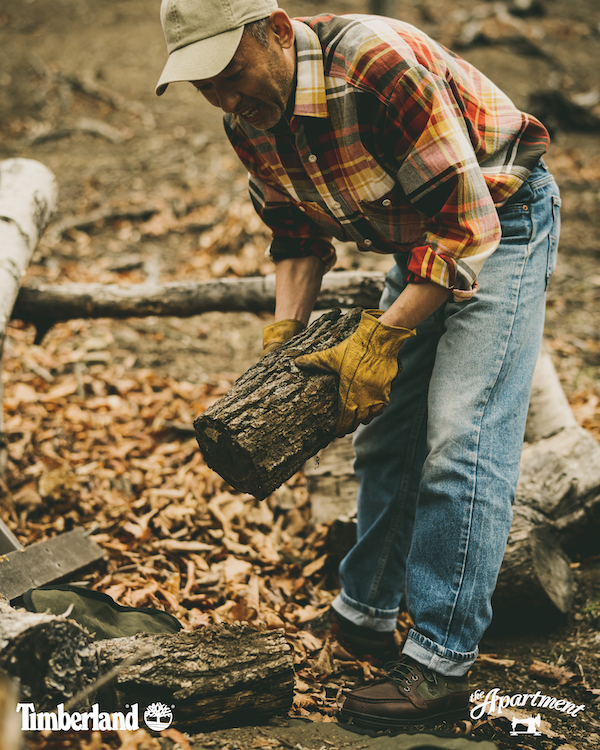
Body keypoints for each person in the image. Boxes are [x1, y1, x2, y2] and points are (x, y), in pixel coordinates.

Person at [156, 0, 561, 728]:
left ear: (276, 31)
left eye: (229, 72)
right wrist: (283, 343)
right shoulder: (247, 120)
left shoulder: (373, 65)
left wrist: (379, 340)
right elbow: (295, 235)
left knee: (460, 437)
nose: (222, 96)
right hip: (418, 242)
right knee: (383, 435)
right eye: (202, 85)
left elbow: (467, 224)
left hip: (501, 220)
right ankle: (366, 610)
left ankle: (441, 664)